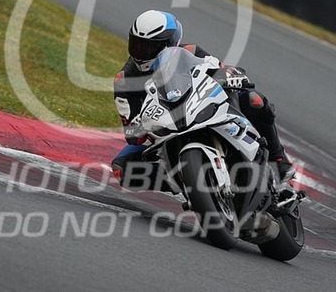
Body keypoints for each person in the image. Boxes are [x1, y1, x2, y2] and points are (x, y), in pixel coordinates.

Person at [111, 10, 295, 191]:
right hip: (165, 133)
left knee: (254, 100)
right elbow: (131, 132)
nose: (141, 52)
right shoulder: (124, 80)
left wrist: (231, 76)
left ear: (169, 44)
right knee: (122, 168)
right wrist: (140, 127)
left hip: (203, 109)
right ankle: (185, 180)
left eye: (150, 47)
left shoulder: (190, 52)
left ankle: (279, 159)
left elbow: (219, 69)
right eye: (137, 45)